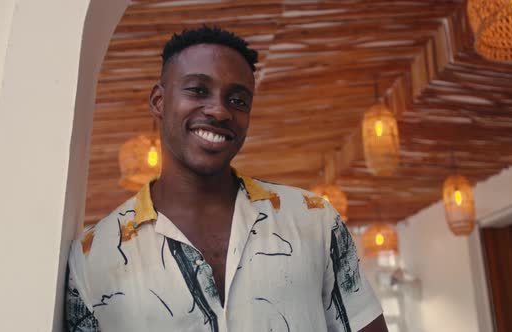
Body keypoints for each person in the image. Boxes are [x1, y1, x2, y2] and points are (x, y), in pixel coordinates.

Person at [66, 26, 388, 332]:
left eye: (238, 100)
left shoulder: (313, 219)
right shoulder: (94, 256)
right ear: (159, 102)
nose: (220, 111)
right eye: (198, 90)